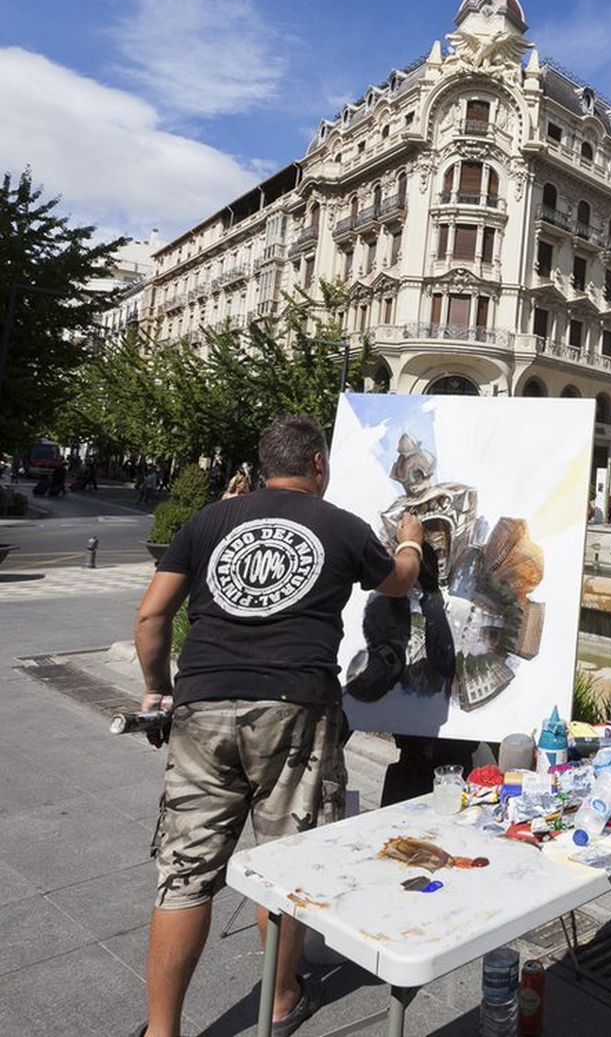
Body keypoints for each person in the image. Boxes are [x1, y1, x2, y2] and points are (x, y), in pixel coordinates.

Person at [131, 414, 423, 1037]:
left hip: (201, 707)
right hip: (296, 710)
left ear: (264, 464)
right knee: (287, 867)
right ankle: (283, 998)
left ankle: (161, 1031)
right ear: (318, 464)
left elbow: (151, 617)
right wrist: (411, 539)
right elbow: (399, 584)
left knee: (185, 876)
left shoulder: (209, 520)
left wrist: (158, 690)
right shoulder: (339, 524)